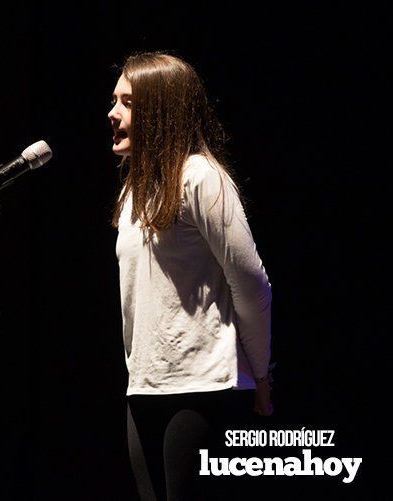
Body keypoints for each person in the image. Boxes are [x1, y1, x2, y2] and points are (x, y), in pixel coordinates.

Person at [108, 51, 273, 501]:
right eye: (114, 101)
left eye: (127, 102)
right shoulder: (133, 192)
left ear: (160, 110)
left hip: (203, 387)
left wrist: (260, 375)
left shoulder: (200, 177)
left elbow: (251, 283)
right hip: (144, 385)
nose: (112, 113)